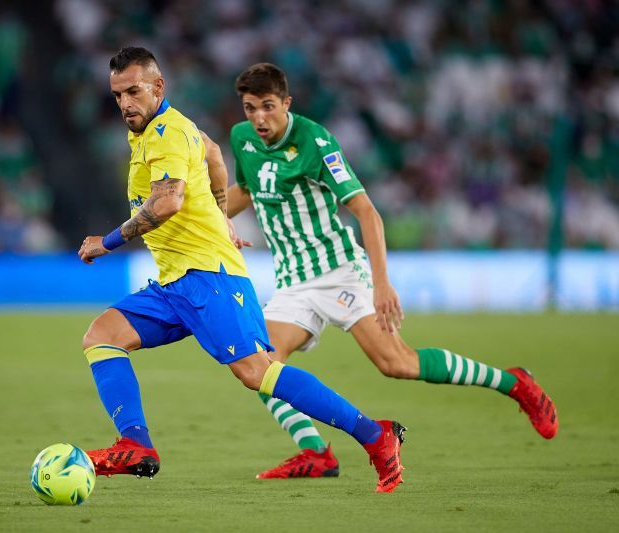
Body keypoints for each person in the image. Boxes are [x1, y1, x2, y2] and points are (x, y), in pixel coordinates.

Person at [78, 47, 407, 493]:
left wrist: (108, 242)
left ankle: (376, 436)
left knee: (258, 372)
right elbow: (214, 154)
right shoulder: (165, 131)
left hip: (208, 278)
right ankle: (136, 446)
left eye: (133, 91)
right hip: (176, 281)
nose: (124, 103)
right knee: (102, 337)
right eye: (117, 95)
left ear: (158, 87)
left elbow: (169, 202)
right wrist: (219, 216)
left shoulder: (167, 135)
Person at [214, 62, 558, 480]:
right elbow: (247, 191)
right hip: (293, 279)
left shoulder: (317, 142)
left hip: (340, 271)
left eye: (268, 106)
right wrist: (205, 219)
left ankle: (515, 383)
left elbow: (367, 213)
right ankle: (315, 451)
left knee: (397, 362)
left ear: (286, 102)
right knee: (260, 363)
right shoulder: (242, 138)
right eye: (250, 108)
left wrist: (381, 284)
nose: (259, 118)